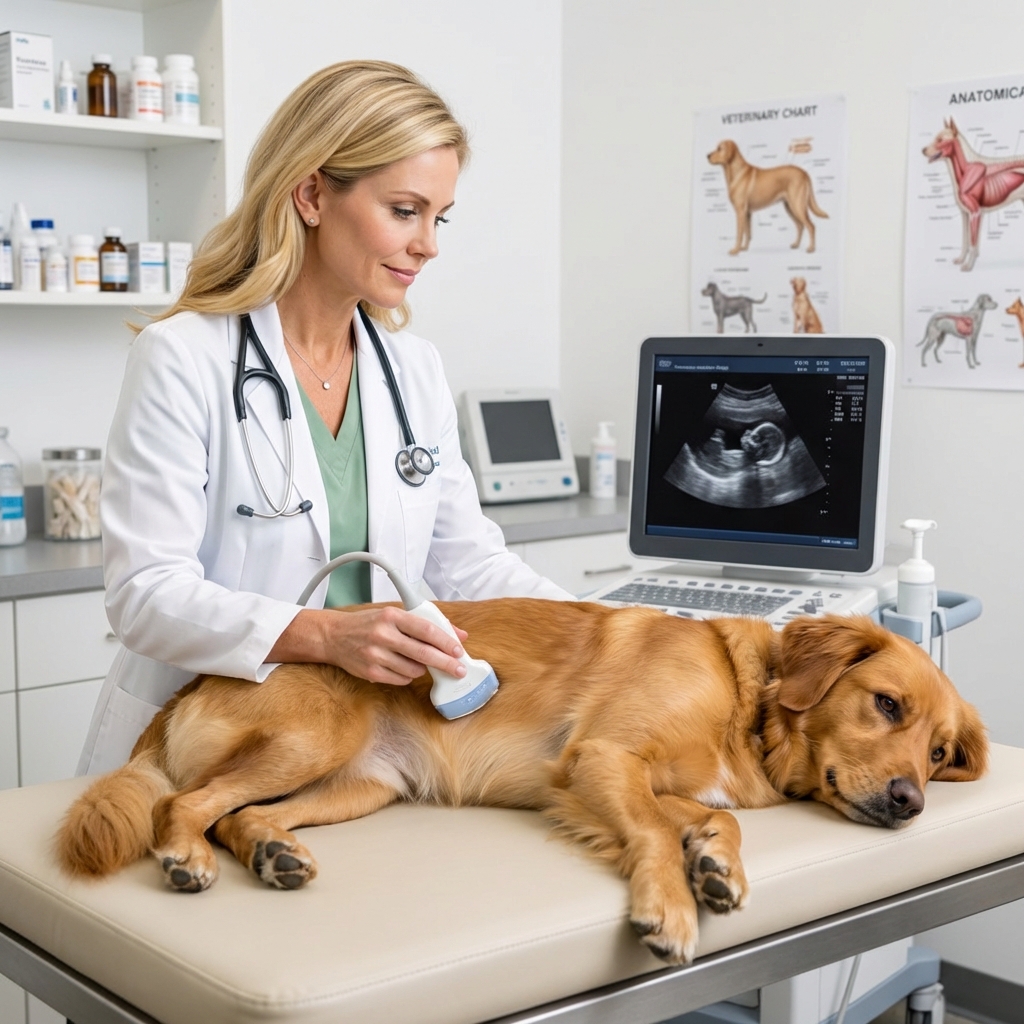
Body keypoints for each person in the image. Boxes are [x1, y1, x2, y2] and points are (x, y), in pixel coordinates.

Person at [78, 61, 571, 776]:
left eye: (440, 217)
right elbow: (144, 595)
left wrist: (616, 628)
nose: (429, 243)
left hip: (353, 742)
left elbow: (468, 563)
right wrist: (322, 635)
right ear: (311, 194)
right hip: (201, 733)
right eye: (405, 211)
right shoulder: (182, 356)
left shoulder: (413, 371)